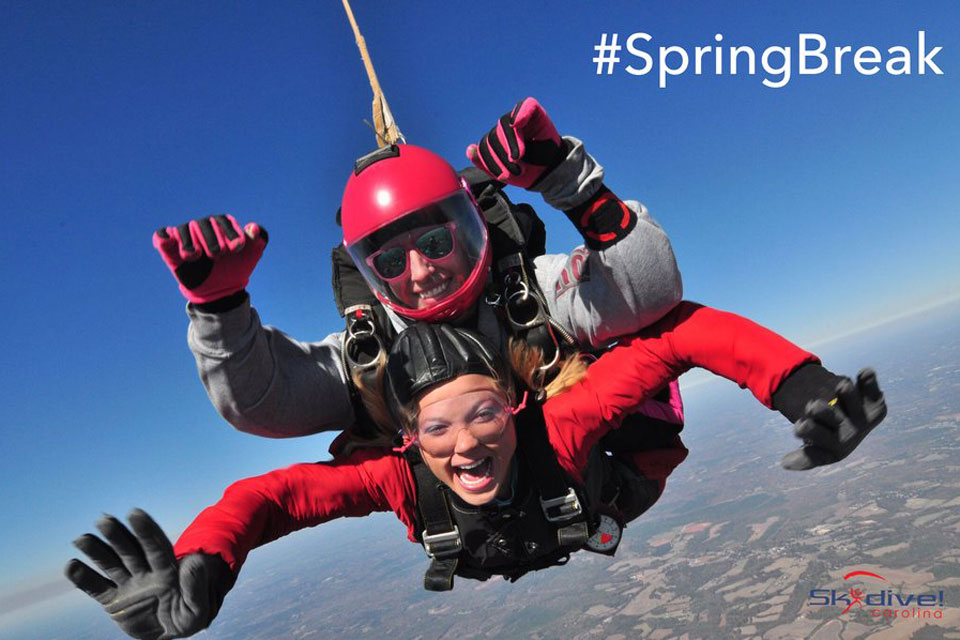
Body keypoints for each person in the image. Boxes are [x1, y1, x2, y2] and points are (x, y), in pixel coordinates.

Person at [65, 305, 886, 639]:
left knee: (646, 402)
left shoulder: (557, 428)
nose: (465, 446)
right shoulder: (396, 478)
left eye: (483, 413)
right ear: (409, 439)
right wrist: (209, 561)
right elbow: (273, 497)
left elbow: (677, 336)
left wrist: (801, 384)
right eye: (437, 426)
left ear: (514, 406)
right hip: (510, 539)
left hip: (603, 494)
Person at [152, 98, 685, 442]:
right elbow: (264, 404)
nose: (421, 272)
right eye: (390, 261)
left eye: (434, 242)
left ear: (470, 228)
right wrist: (219, 310)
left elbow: (650, 290)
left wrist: (567, 181)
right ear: (371, 272)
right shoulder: (371, 352)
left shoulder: (529, 291)